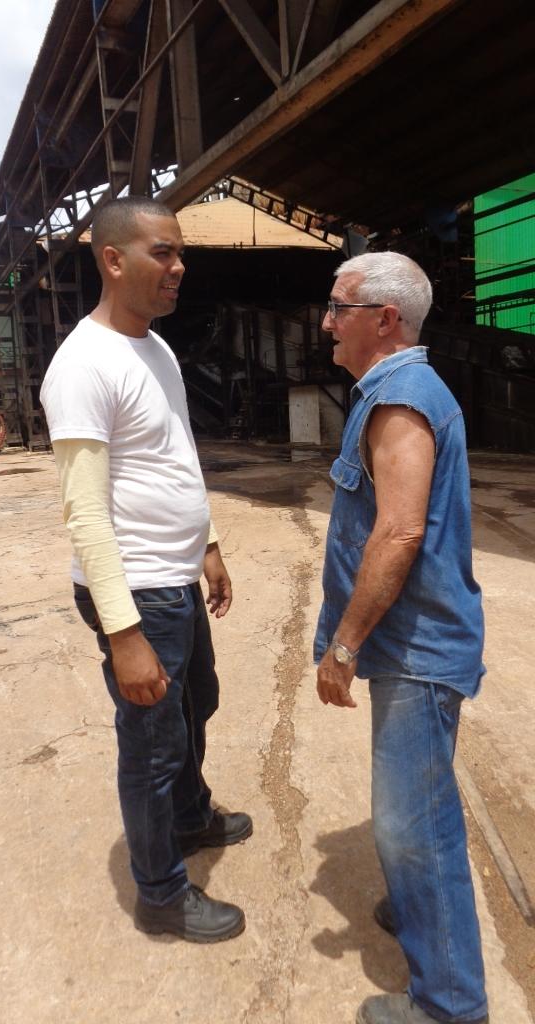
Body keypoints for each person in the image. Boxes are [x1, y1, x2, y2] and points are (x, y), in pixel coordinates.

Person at [40, 196, 252, 944]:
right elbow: (86, 512)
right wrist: (124, 632)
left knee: (199, 704)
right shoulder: (83, 366)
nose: (179, 266)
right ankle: (160, 894)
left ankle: (190, 821)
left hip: (177, 578)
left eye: (179, 251)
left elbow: (176, 456)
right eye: (163, 252)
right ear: (113, 259)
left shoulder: (153, 348)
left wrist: (210, 542)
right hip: (137, 593)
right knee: (153, 746)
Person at [314, 252, 488, 1024]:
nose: (326, 321)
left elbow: (398, 533)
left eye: (337, 306)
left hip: (416, 652)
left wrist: (344, 645)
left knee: (415, 826)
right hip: (416, 648)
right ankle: (419, 912)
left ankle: (450, 1006)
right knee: (414, 811)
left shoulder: (401, 399)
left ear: (384, 320)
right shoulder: (394, 391)